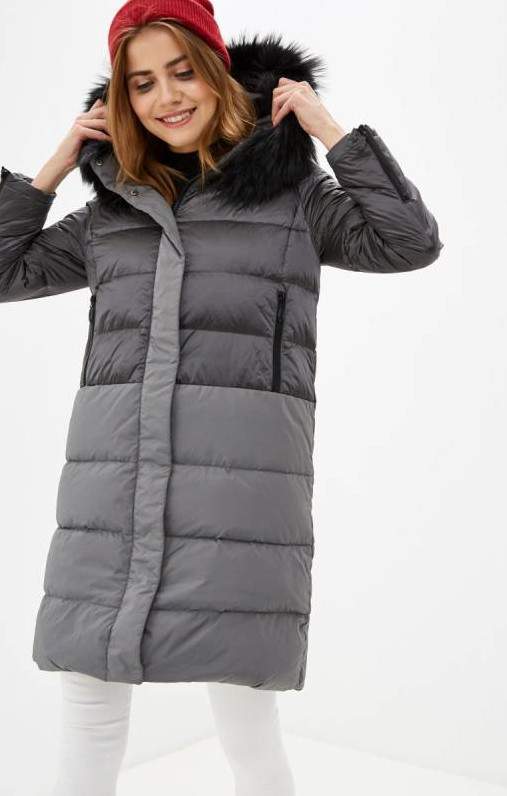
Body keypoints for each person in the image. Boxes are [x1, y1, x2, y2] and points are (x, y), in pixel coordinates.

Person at [0, 0, 443, 793]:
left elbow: (407, 242)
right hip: (110, 492)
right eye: (141, 83)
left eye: (183, 72)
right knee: (88, 704)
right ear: (119, 101)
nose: (166, 97)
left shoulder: (295, 200)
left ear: (218, 73)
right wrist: (53, 167)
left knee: (245, 717)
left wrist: (330, 130)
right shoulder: (112, 214)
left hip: (239, 497)